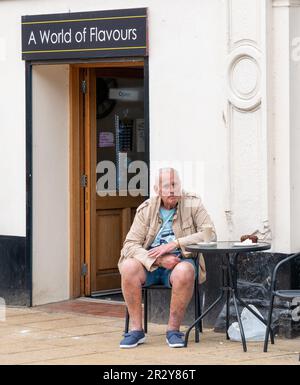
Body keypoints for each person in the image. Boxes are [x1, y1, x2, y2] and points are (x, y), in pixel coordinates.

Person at [118, 168, 216, 348]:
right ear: (157, 189)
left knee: (186, 271)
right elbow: (130, 244)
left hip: (180, 260)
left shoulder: (193, 203)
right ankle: (136, 331)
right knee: (128, 267)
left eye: (175, 184)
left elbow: (209, 235)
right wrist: (157, 260)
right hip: (150, 264)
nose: (172, 190)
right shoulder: (146, 209)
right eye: (166, 186)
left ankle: (173, 330)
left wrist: (176, 244)